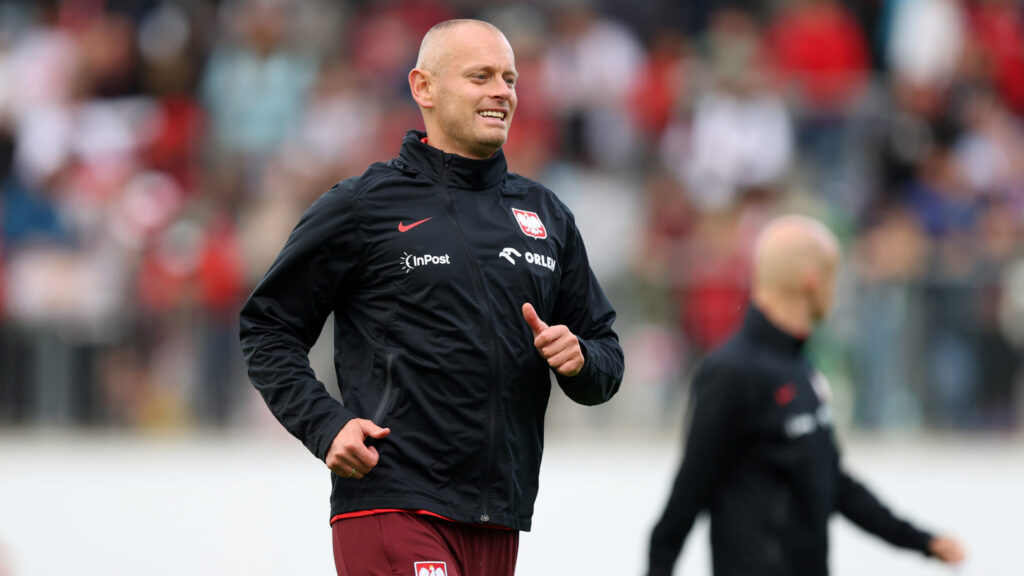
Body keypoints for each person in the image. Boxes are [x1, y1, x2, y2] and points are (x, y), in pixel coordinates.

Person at [238, 19, 624, 576]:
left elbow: (606, 354)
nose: (502, 91)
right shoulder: (362, 206)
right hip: (394, 500)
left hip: (499, 518)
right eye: (480, 76)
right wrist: (326, 425)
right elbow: (267, 327)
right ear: (424, 88)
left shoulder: (545, 214)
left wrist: (581, 360)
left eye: (510, 79)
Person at [645, 215, 965, 576]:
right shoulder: (731, 372)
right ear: (812, 281)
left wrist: (921, 541)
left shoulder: (800, 367)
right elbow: (685, 499)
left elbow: (833, 480)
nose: (836, 290)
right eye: (834, 278)